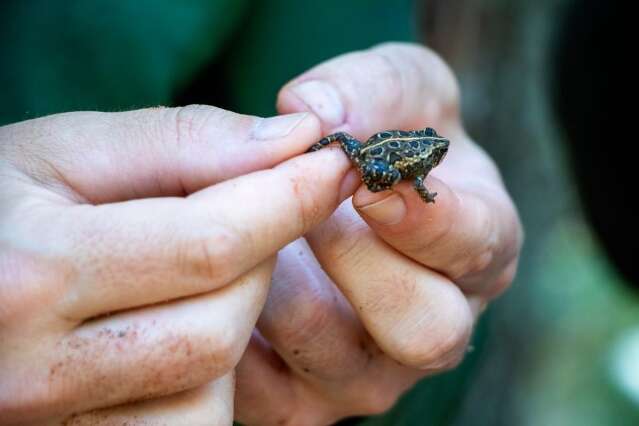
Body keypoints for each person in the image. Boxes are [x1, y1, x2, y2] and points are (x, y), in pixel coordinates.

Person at [0, 4, 523, 426]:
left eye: (434, 152)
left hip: (359, 171)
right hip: (371, 162)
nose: (434, 157)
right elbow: (415, 176)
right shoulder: (419, 167)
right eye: (435, 154)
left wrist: (419, 329)